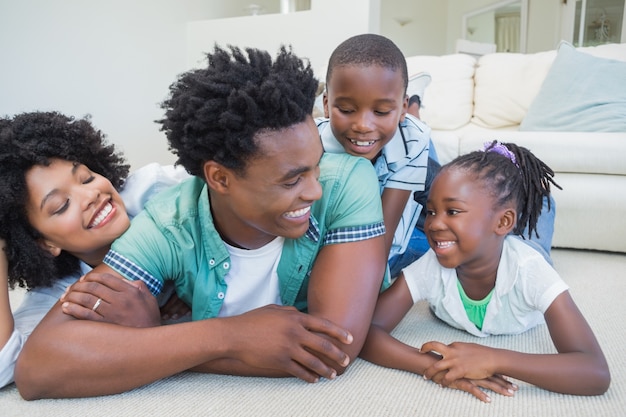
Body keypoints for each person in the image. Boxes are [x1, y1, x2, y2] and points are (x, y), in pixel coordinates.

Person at [14, 45, 390, 400]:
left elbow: (333, 349)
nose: (315, 191)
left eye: (316, 165)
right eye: (291, 180)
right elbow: (36, 369)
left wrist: (153, 338)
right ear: (220, 178)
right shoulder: (165, 224)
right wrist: (231, 336)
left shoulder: (347, 183)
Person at [360, 141, 610, 398]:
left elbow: (594, 372)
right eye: (432, 211)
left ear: (503, 221)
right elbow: (365, 331)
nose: (433, 224)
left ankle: (541, 199)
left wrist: (493, 358)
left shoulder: (531, 271)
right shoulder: (431, 265)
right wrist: (439, 365)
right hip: (494, 240)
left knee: (536, 236)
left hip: (524, 250)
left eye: (453, 211)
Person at [0, 111, 191, 388]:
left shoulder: (154, 189)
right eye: (61, 206)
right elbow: (7, 367)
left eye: (87, 178)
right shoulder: (63, 293)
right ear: (44, 243)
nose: (90, 195)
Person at [316, 34, 440, 278]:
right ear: (326, 105)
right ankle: (411, 105)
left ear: (399, 107)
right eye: (347, 110)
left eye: (381, 110)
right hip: (393, 138)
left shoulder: (412, 142)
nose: (363, 125)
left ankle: (413, 105)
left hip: (410, 162)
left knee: (456, 247)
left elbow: (380, 240)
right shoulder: (312, 143)